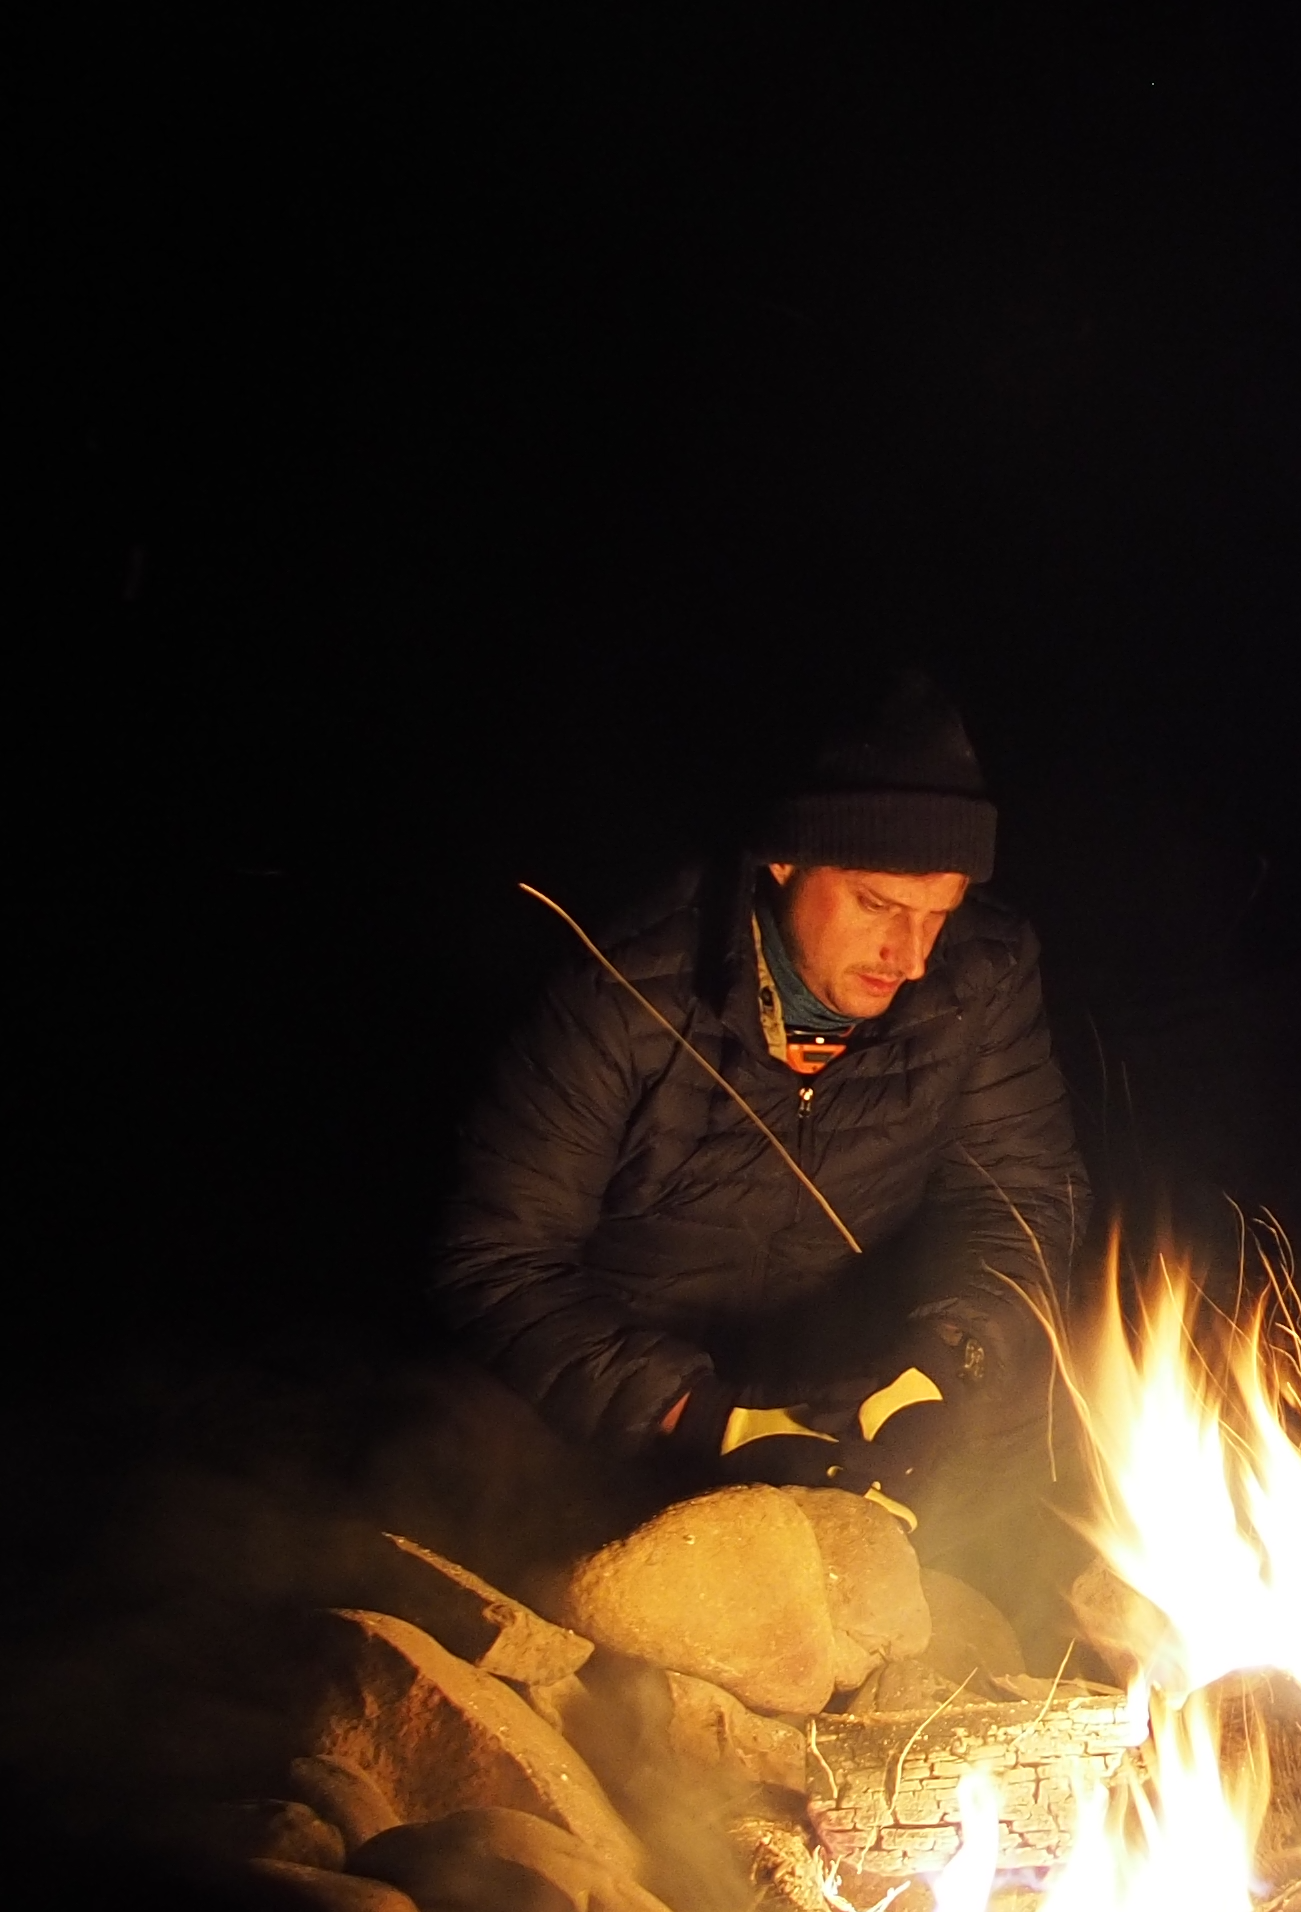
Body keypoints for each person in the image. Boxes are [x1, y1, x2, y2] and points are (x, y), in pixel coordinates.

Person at [435, 680, 1085, 1627]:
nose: (908, 956)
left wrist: (941, 1362)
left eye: (938, 913)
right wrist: (699, 1416)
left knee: (1024, 1382)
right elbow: (494, 1262)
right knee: (481, 1454)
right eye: (875, 904)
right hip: (637, 1382)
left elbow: (1025, 1198)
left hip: (845, 1361)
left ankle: (984, 1647)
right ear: (785, 860)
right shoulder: (628, 985)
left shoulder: (979, 974)